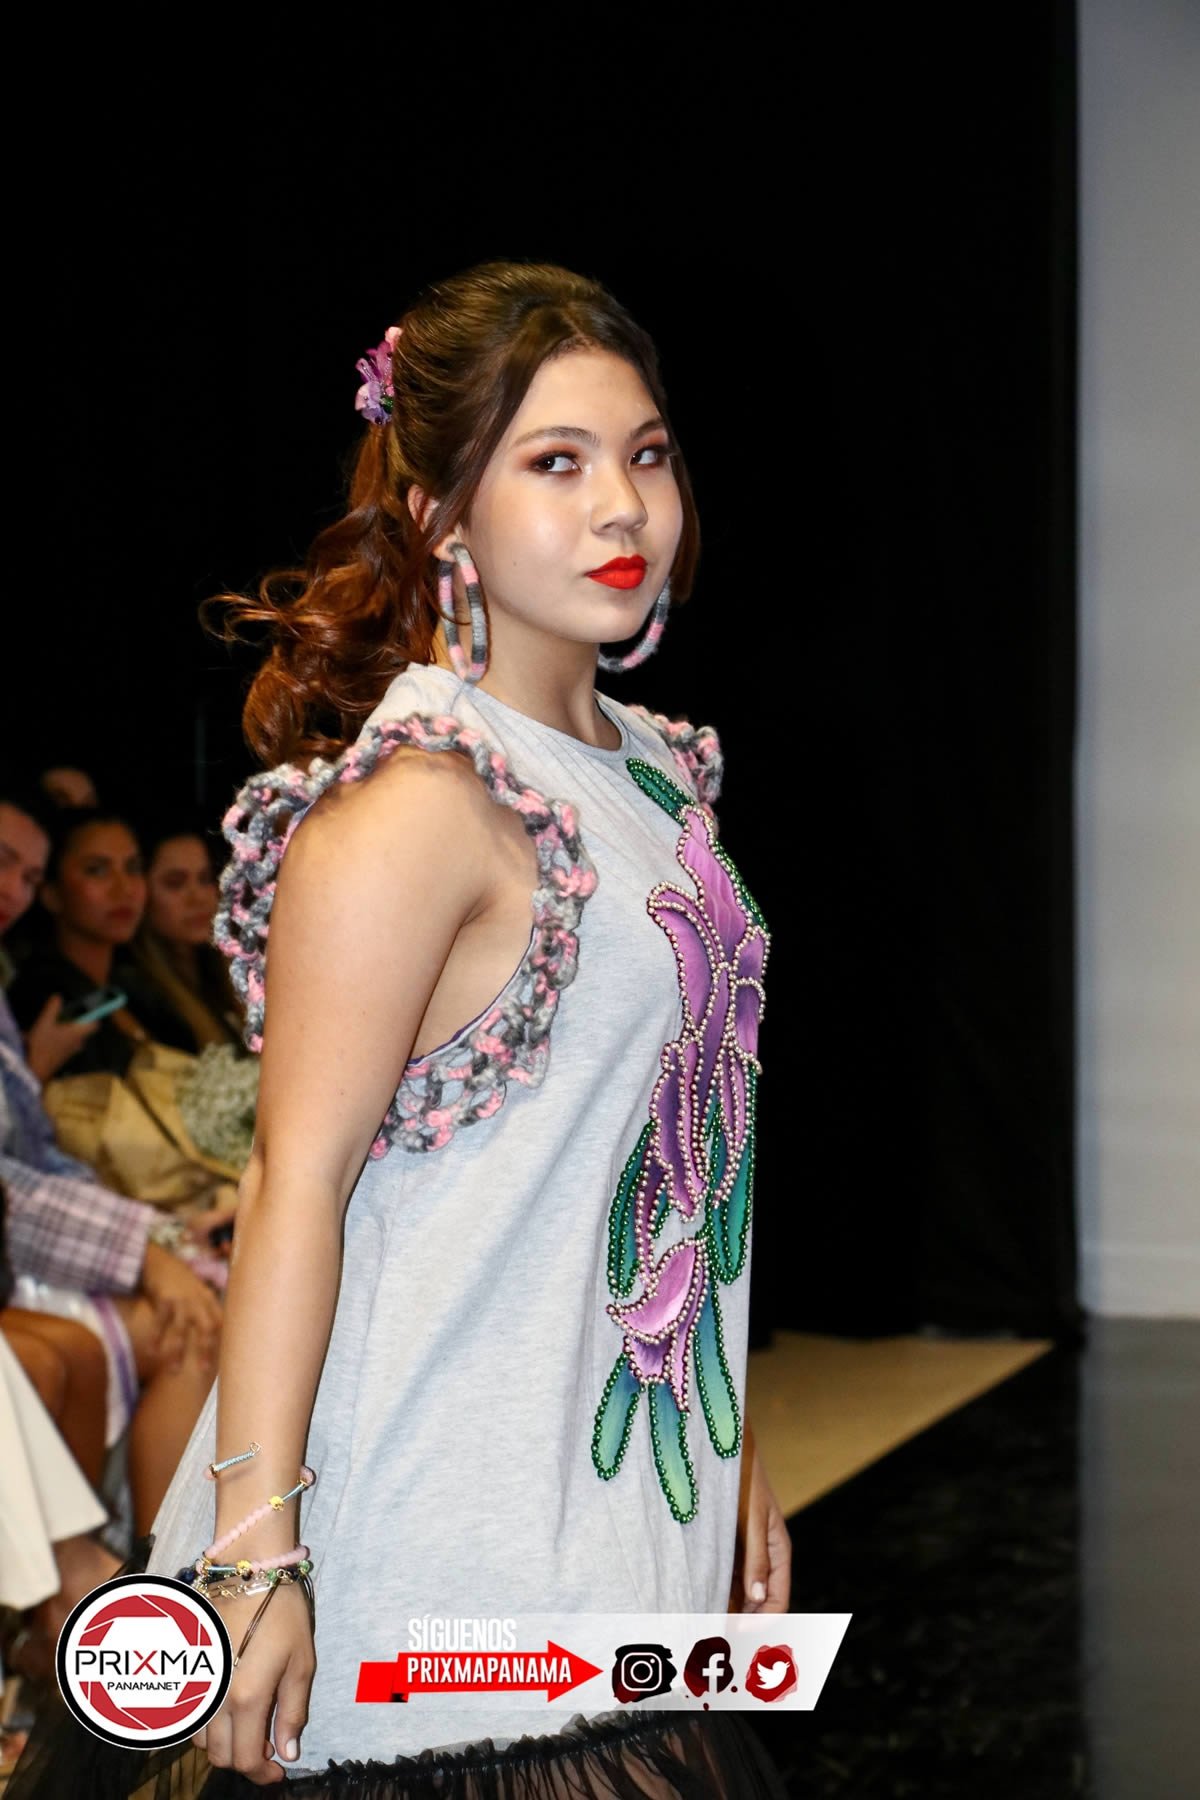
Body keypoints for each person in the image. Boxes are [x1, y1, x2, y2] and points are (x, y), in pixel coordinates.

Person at [11, 263, 789, 1798]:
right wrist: (253, 1557)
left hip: (610, 1501)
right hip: (437, 1547)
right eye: (553, 461)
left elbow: (672, 1159)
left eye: (644, 453)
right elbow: (293, 1181)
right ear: (440, 517)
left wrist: (727, 1442)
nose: (621, 506)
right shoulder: (419, 802)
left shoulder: (653, 772)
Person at [0, 787, 224, 1533]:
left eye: (27, 873)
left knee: (214, 1300)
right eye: (98, 871)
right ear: (60, 898)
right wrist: (153, 1242)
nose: (126, 889)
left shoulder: (156, 995)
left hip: (101, 1221)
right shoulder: (42, 996)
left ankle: (156, 1563)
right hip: (48, 1248)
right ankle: (152, 1567)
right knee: (193, 1325)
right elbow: (44, 1163)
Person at [125, 822, 244, 1052]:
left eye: (205, 879)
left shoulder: (224, 978)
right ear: (141, 891)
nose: (198, 898)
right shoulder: (142, 997)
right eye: (175, 883)